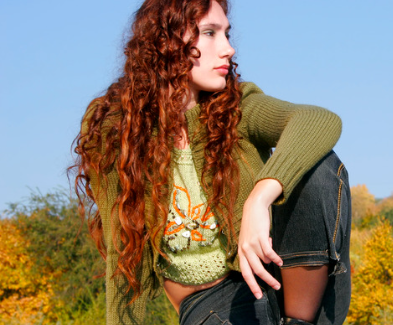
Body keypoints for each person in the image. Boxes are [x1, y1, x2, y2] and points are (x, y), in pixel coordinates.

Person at [71, 0, 351, 324]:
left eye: (227, 34)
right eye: (209, 33)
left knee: (315, 164)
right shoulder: (116, 129)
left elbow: (318, 120)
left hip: (290, 281)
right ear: (165, 42)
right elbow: (122, 257)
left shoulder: (238, 107)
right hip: (213, 306)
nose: (228, 49)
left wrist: (258, 199)